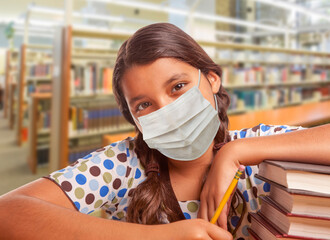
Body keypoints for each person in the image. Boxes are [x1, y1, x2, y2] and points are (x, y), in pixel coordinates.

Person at [0, 23, 329, 240]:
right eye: (143, 105)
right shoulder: (124, 165)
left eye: (178, 87)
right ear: (134, 119)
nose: (167, 110)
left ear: (212, 79)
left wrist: (233, 152)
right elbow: (8, 211)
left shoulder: (257, 148)